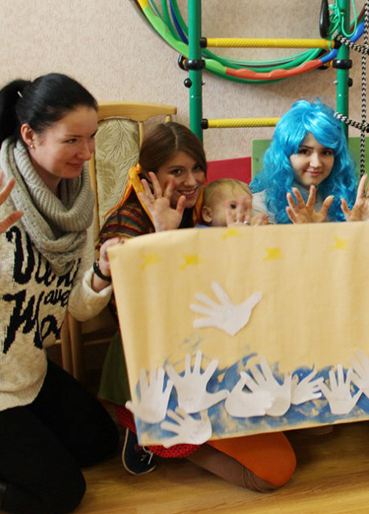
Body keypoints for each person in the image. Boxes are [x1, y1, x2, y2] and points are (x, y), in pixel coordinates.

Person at [0, 74, 117, 514]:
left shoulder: (74, 205)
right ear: (30, 135)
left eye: (91, 137)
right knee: (60, 494)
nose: (87, 152)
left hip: (23, 372)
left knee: (99, 443)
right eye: (72, 140)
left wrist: (102, 273)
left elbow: (75, 306)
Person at [94, 122, 296, 491]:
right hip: (159, 361)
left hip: (216, 350)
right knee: (271, 474)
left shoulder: (205, 208)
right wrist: (164, 237)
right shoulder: (126, 222)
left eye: (197, 168)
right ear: (150, 175)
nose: (191, 181)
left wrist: (248, 245)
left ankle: (165, 432)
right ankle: (150, 434)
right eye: (177, 171)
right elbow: (134, 311)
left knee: (285, 445)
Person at [251, 100, 369, 224]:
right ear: (284, 155)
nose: (316, 163)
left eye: (326, 152)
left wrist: (360, 230)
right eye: (304, 151)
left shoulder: (346, 203)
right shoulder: (259, 207)